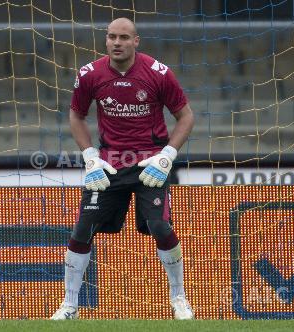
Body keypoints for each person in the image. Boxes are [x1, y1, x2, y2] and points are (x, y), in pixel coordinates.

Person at [51, 18, 195, 320]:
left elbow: (186, 117)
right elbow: (76, 116)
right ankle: (69, 305)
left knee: (159, 226)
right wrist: (90, 156)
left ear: (136, 41)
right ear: (106, 40)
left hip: (149, 164)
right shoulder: (90, 74)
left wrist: (167, 155)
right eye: (112, 37)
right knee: (82, 230)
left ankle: (179, 298)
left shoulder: (158, 73)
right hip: (109, 164)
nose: (117, 42)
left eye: (124, 37)